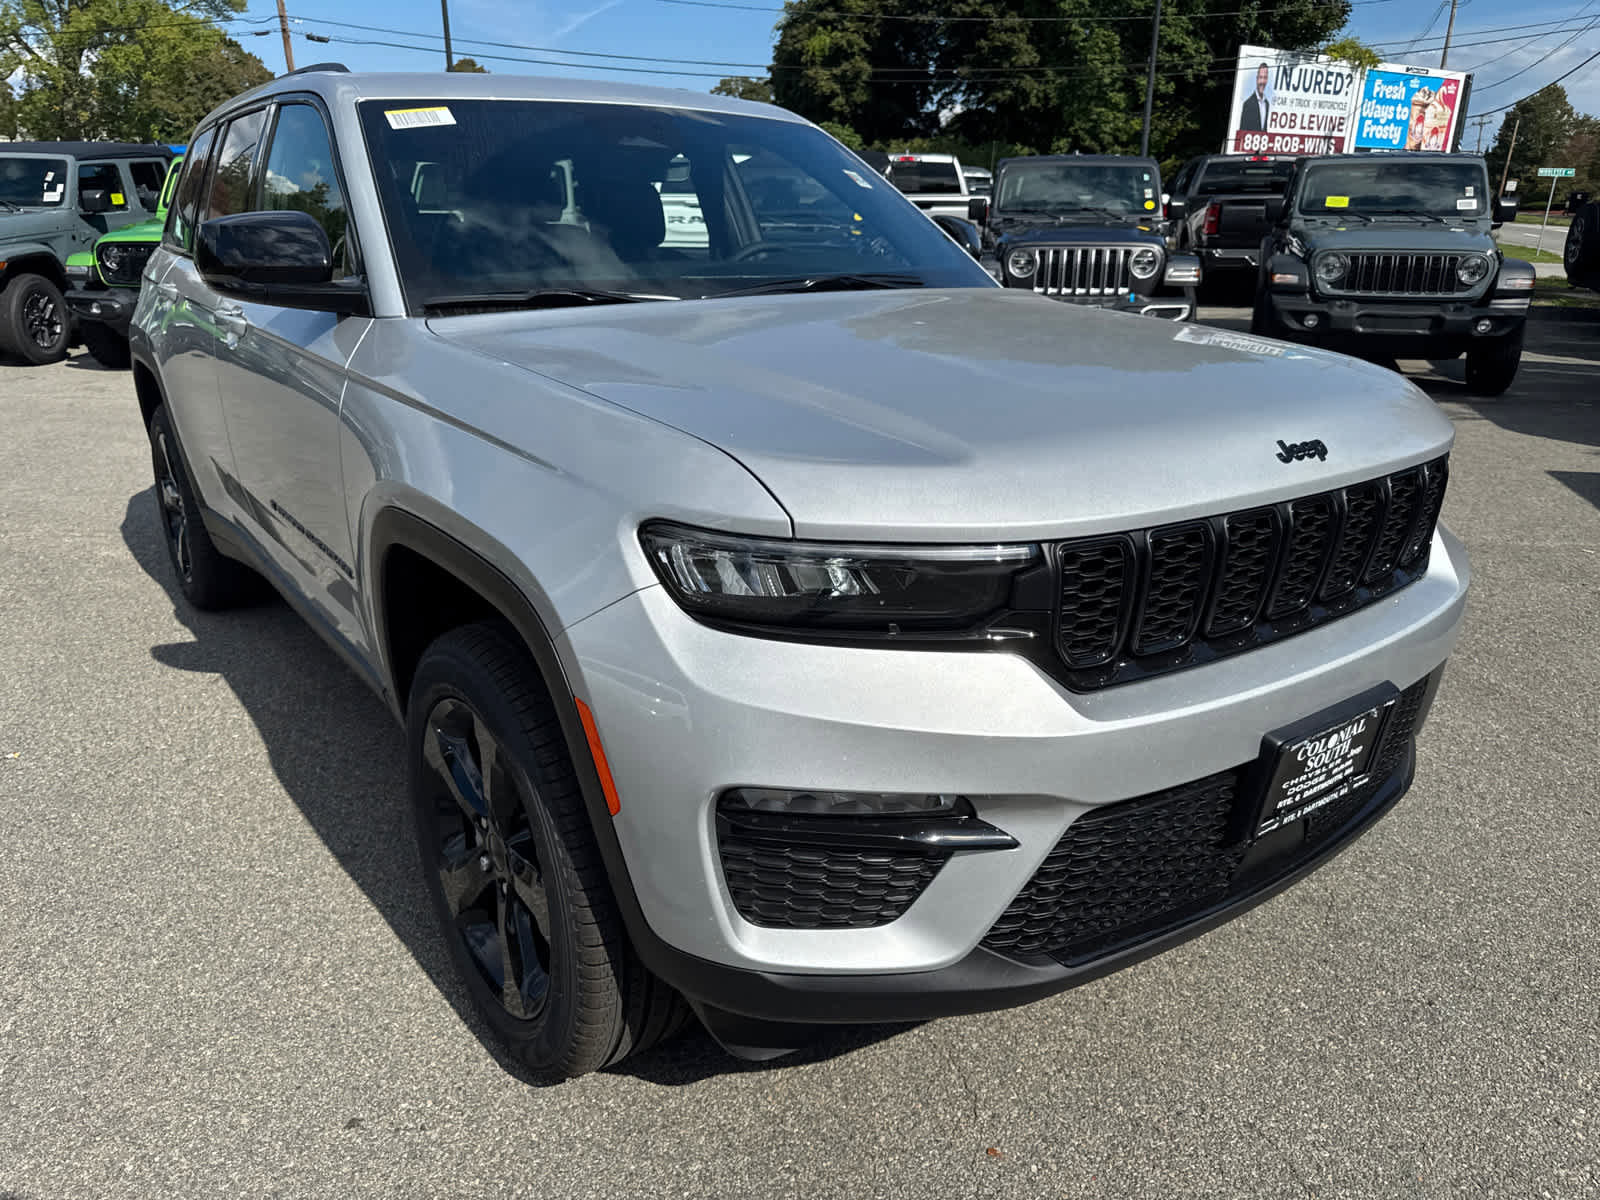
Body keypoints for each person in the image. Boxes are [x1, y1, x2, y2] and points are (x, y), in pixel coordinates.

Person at [1240, 62, 1271, 132]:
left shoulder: (1267, 104)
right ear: (1257, 79)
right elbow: (1242, 131)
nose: (1262, 81)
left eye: (1265, 78)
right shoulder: (1248, 104)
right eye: (1261, 77)